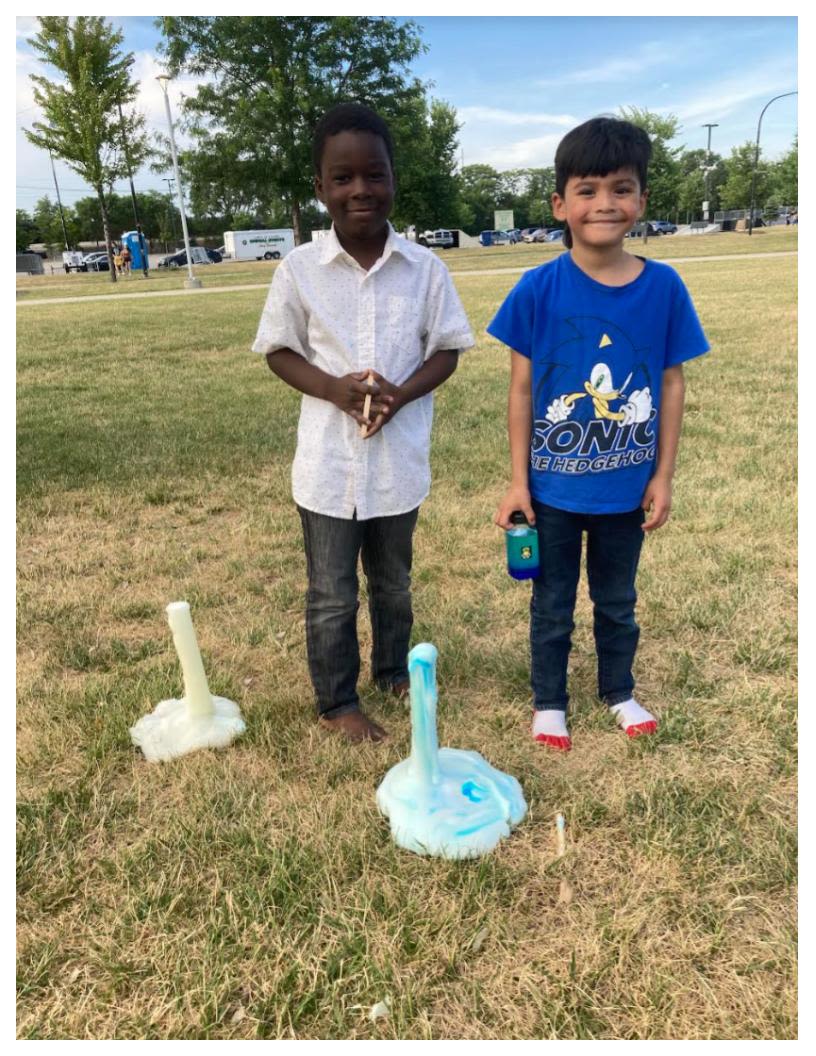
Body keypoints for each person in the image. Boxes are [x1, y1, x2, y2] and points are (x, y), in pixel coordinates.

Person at [252, 102, 474, 743]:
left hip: (397, 462)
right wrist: (334, 389)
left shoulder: (425, 269)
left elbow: (447, 349)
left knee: (393, 583)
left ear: (393, 179)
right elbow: (278, 350)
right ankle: (337, 702)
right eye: (342, 178)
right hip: (328, 468)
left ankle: (393, 671)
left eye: (374, 174)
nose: (360, 190)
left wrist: (399, 395)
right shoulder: (298, 269)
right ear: (320, 187)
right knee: (331, 592)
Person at [489, 116, 710, 751]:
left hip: (625, 491)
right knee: (552, 604)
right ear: (560, 204)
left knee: (617, 602)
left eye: (621, 188)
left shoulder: (664, 287)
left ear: (641, 199)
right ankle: (549, 703)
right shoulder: (537, 288)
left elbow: (671, 385)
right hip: (553, 493)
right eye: (587, 190)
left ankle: (619, 690)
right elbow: (522, 391)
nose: (604, 203)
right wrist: (518, 483)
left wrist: (663, 476)